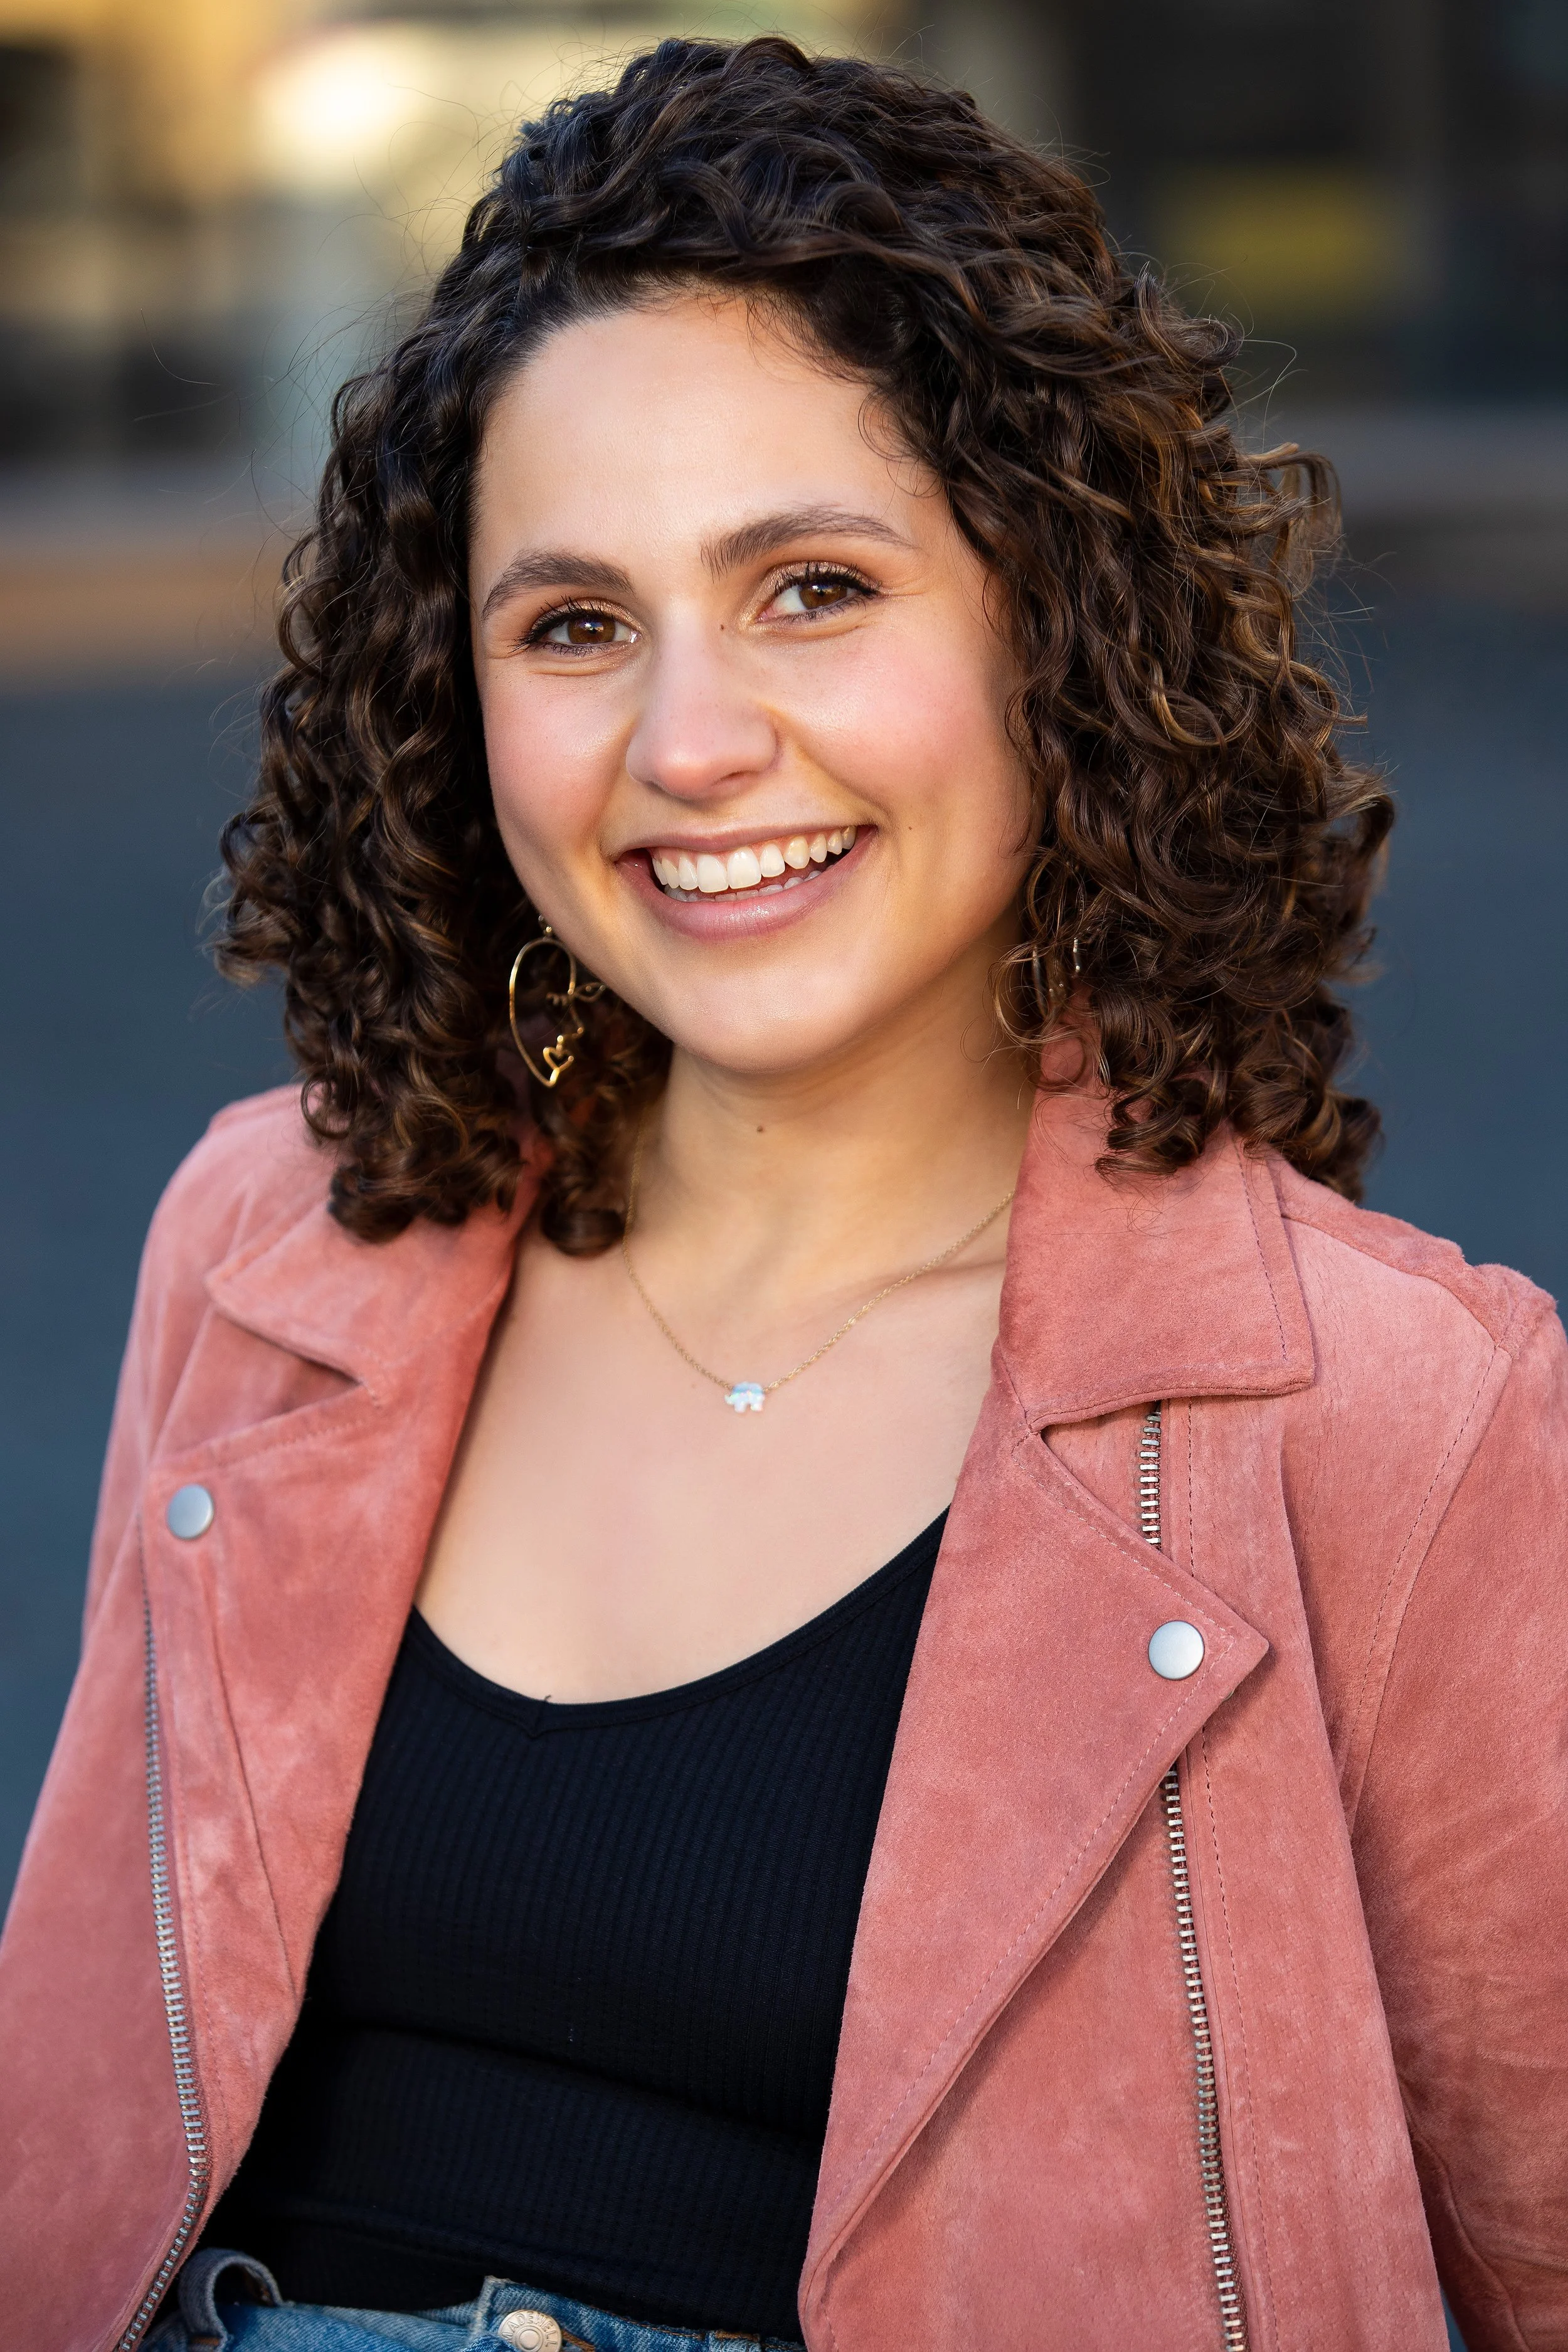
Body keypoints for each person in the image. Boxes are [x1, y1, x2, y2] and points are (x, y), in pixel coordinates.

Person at [3, 34, 1565, 2352]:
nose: (688, 743)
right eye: (573, 623)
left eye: (812, 586)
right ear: (454, 700)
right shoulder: (265, 1247)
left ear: (1052, 628)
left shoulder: (1399, 1421)